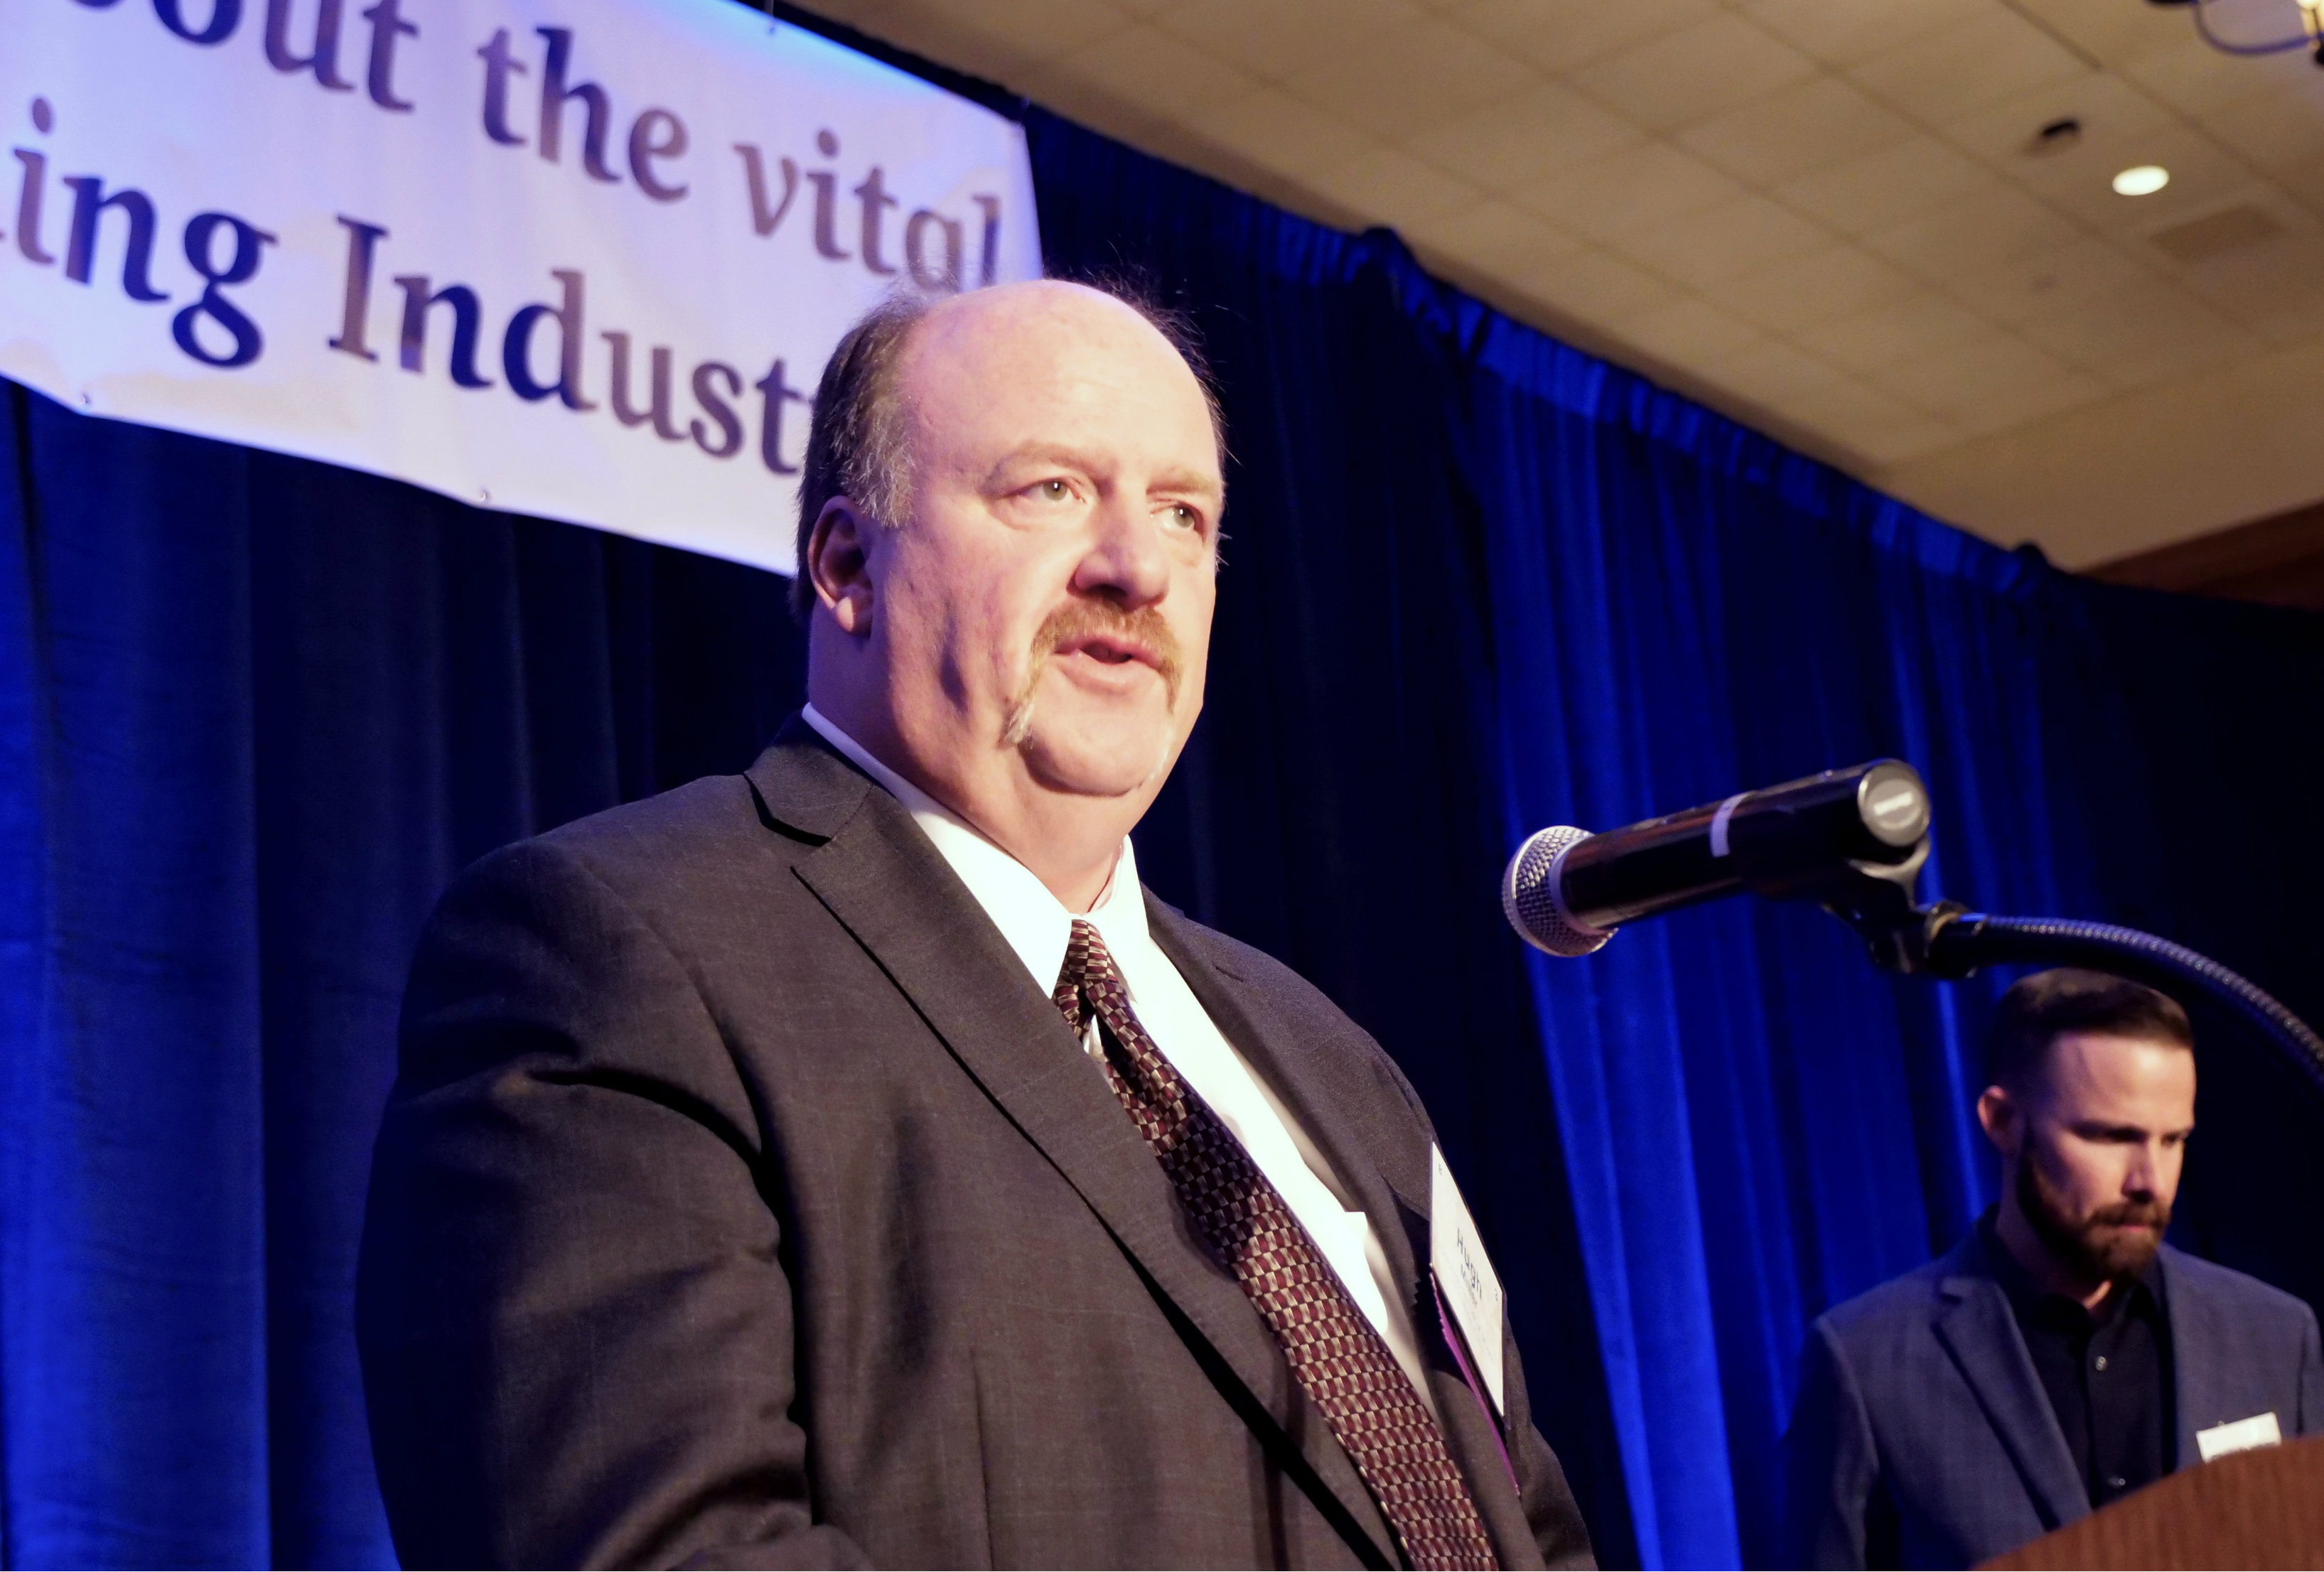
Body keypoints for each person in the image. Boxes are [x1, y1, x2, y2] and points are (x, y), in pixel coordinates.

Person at [356, 279, 1594, 1570]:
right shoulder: (622, 951)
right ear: (845, 564)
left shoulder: (1333, 1061)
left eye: (1184, 514)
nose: (1135, 567)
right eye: (1050, 489)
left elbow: (1530, 1525)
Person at [1781, 969, 2324, 1570]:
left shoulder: (2273, 1337)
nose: (2148, 1181)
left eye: (2172, 1140)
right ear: (2002, 1123)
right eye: (2108, 1136)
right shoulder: (1867, 1364)